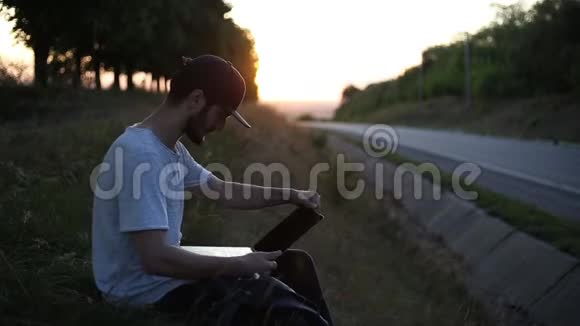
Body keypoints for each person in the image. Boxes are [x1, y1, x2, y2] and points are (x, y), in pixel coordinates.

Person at [91, 54, 333, 325]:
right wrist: (236, 266)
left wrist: (289, 194)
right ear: (196, 100)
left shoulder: (170, 150)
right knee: (284, 307)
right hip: (143, 292)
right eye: (222, 114)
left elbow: (220, 189)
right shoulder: (141, 155)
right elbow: (155, 259)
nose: (220, 126)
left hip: (162, 279)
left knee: (294, 265)